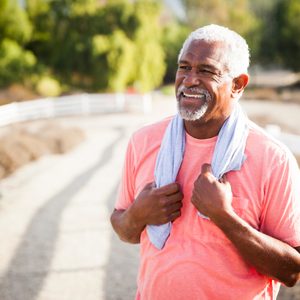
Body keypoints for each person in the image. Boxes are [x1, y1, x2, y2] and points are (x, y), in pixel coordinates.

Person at [110, 24, 300, 299]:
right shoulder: (144, 141)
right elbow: (123, 228)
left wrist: (224, 216)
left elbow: (291, 271)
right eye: (184, 67)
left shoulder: (273, 159)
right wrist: (137, 215)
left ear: (237, 85)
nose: (189, 80)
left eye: (206, 71)